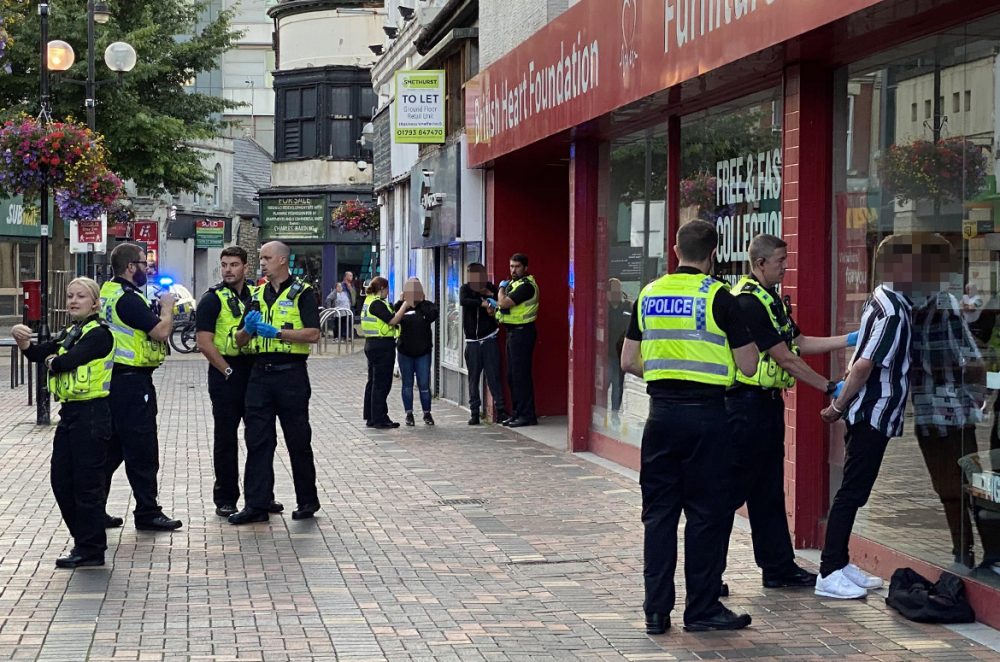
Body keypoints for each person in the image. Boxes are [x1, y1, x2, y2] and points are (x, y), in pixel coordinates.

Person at [620, 219, 759, 634]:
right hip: (708, 418)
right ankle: (701, 610)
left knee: (659, 516)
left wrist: (666, 372)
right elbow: (749, 363)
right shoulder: (718, 296)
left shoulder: (648, 293)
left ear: (675, 250)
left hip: (660, 416)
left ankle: (656, 613)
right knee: (705, 515)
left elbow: (628, 361)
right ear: (713, 253)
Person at [720, 234, 854, 592]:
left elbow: (800, 342)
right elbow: (785, 357)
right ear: (760, 263)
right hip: (743, 406)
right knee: (730, 493)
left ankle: (778, 568)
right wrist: (828, 386)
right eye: (780, 260)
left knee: (768, 491)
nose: (786, 266)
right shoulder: (747, 302)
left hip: (766, 405)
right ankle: (708, 575)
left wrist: (850, 339)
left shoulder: (771, 300)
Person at [817, 233, 915, 599]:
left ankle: (840, 563)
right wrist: (837, 405)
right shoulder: (891, 309)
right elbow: (864, 364)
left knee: (854, 491)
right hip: (872, 413)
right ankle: (829, 572)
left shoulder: (884, 299)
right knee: (852, 492)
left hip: (873, 412)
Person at [908, 236, 999, 569]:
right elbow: (969, 360)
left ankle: (965, 550)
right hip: (954, 409)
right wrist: (980, 396)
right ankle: (987, 551)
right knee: (972, 480)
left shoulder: (915, 303)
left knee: (950, 486)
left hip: (932, 409)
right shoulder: (940, 301)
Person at [11, 278, 114, 567]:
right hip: (71, 414)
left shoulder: (99, 334)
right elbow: (42, 354)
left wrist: (53, 360)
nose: (73, 301)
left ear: (94, 303)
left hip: (92, 414)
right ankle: (84, 541)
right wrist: (24, 342)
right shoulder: (73, 331)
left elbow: (63, 363)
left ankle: (91, 549)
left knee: (86, 486)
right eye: (70, 296)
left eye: (81, 296)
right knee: (61, 480)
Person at [228, 241, 322, 525]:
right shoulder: (256, 294)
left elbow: (314, 334)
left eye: (267, 258)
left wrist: (278, 334)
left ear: (282, 260)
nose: (262, 263)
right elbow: (239, 340)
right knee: (257, 440)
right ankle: (256, 505)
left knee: (298, 439)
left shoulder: (303, 293)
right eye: (261, 258)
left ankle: (307, 500)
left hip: (291, 372)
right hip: (260, 373)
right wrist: (248, 329)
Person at [100, 243, 183, 532]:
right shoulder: (128, 299)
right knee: (142, 449)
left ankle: (94, 508)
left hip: (113, 381)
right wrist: (167, 308)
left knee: (112, 450)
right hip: (133, 383)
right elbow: (160, 332)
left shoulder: (108, 293)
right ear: (130, 267)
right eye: (143, 264)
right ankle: (148, 511)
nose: (147, 268)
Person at [195, 246, 283, 518]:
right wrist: (227, 371)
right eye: (224, 265)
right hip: (226, 374)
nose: (228, 270)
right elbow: (204, 343)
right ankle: (226, 497)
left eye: (234, 265)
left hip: (253, 370)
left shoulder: (257, 296)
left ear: (246, 267)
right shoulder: (211, 299)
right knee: (226, 438)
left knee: (260, 436)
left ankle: (260, 496)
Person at [460, 263, 508, 425]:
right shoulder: (465, 289)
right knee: (473, 378)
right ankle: (474, 412)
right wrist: (482, 303)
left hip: (489, 338)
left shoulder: (491, 288)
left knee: (493, 376)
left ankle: (500, 410)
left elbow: (500, 305)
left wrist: (489, 297)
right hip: (472, 341)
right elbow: (464, 301)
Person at [496, 253, 539, 428]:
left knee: (521, 376)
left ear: (525, 268)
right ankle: (517, 413)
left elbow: (505, 303)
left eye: (517, 267)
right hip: (513, 333)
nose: (513, 270)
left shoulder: (527, 286)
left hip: (523, 333)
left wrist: (500, 291)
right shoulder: (514, 284)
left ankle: (527, 415)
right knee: (512, 376)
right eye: (511, 266)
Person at [361, 277, 406, 429]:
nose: (388, 292)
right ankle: (380, 418)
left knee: (372, 382)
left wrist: (399, 303)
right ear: (381, 288)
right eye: (387, 289)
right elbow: (392, 320)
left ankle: (371, 416)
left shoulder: (369, 301)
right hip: (382, 345)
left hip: (371, 344)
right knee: (382, 383)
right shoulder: (376, 304)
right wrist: (405, 305)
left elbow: (390, 311)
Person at [394, 278, 439, 426]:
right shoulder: (400, 306)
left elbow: (433, 315)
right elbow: (393, 318)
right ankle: (409, 414)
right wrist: (404, 303)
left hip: (423, 351)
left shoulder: (427, 306)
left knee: (424, 385)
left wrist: (421, 301)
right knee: (407, 384)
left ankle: (427, 413)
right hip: (405, 351)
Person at [607, 278, 631, 413]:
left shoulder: (628, 306)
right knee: (604, 383)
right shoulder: (603, 308)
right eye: (613, 291)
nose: (617, 293)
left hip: (620, 352)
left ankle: (615, 414)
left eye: (618, 290)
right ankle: (600, 412)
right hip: (606, 352)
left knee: (617, 384)